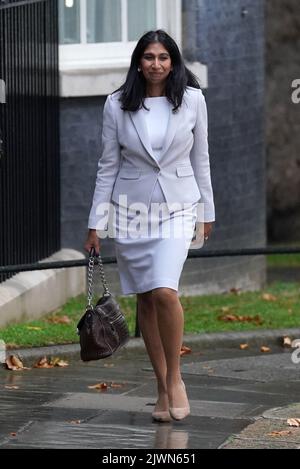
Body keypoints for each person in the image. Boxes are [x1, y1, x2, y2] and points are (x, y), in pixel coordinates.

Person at [84, 30, 215, 422]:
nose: (155, 64)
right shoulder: (117, 104)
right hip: (130, 212)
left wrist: (207, 211)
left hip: (178, 207)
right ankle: (161, 387)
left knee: (163, 291)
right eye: (148, 57)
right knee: (144, 298)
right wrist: (96, 223)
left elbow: (202, 158)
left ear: (173, 61)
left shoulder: (193, 100)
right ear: (138, 62)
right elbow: (107, 165)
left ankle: (175, 379)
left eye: (163, 57)